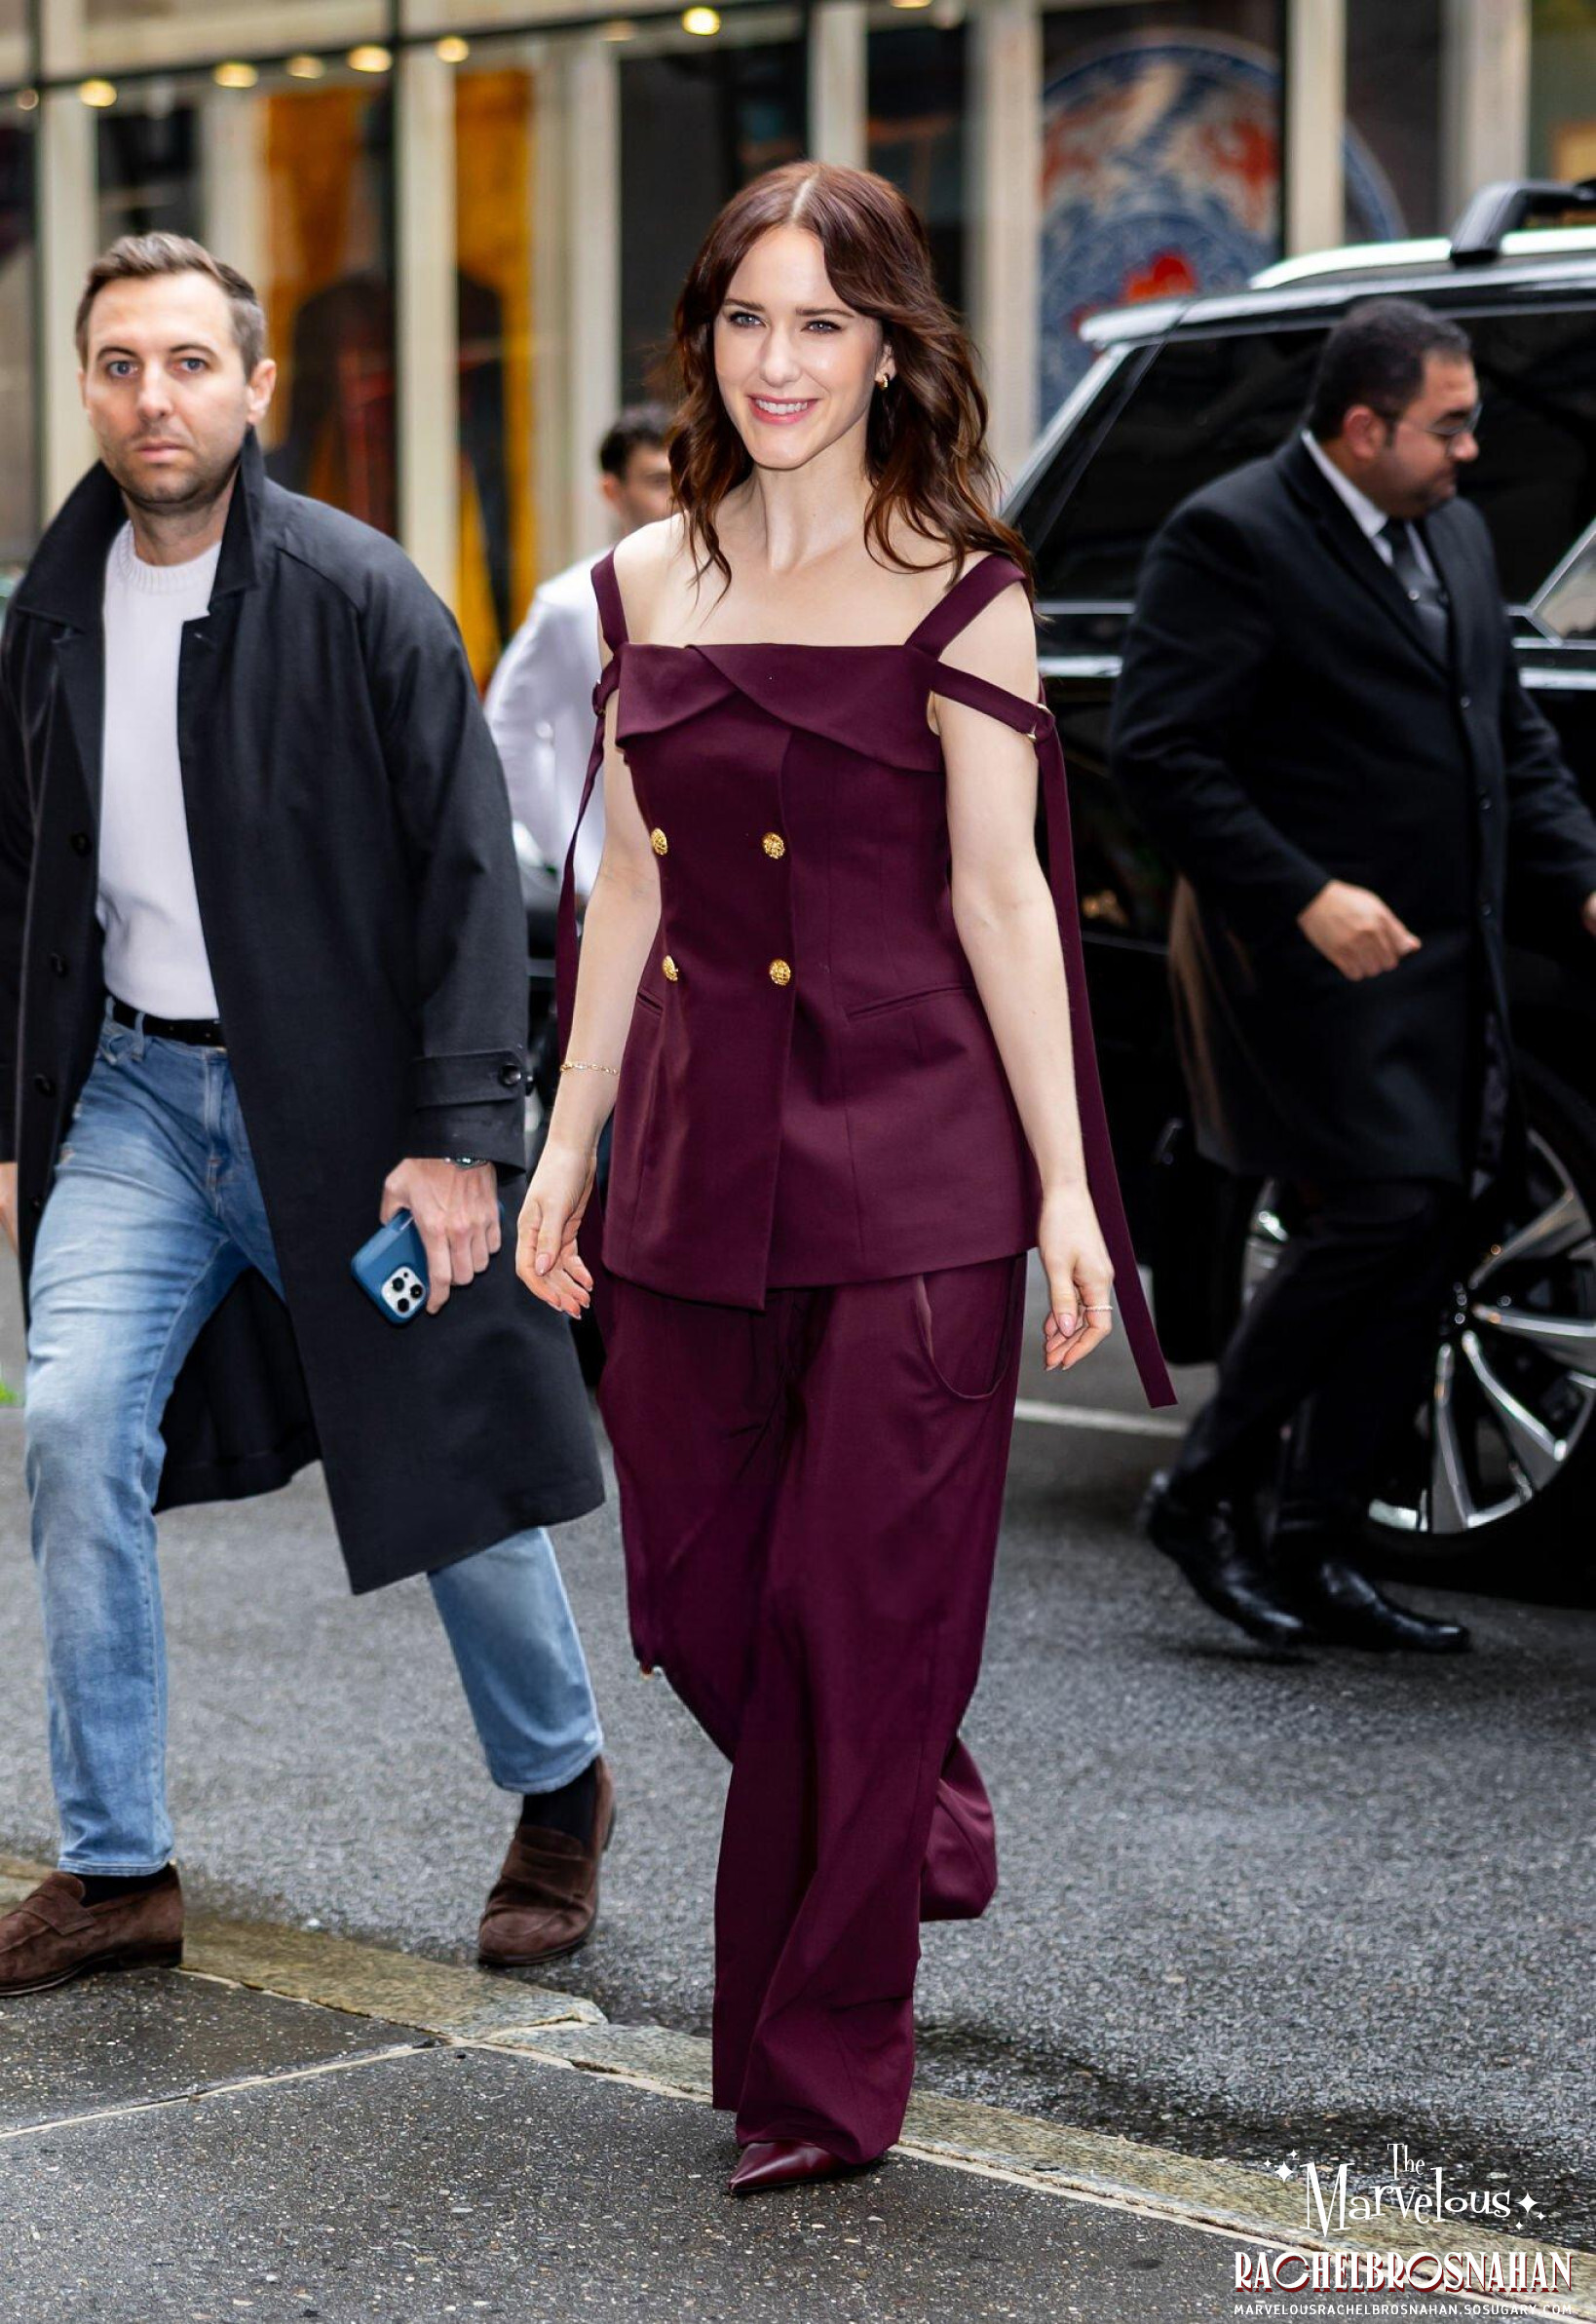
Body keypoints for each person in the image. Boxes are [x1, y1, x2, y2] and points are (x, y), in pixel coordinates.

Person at [516, 162, 1175, 2195]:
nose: (779, 360)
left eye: (822, 320)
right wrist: (565, 1145)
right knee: (702, 1601)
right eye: (746, 318)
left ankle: (815, 2073)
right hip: (692, 1164)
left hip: (921, 1167)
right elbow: (628, 890)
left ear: (890, 347)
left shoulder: (968, 589)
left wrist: (1065, 1188)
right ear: (703, 341)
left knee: (857, 1613)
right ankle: (909, 1793)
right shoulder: (639, 582)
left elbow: (1004, 896)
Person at [0, 233, 613, 1998]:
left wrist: (461, 1137)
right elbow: (15, 885)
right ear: (86, 388)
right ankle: (116, 1866)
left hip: (349, 1117)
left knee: (448, 1452)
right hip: (132, 1097)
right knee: (69, 1429)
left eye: (191, 363)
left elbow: (468, 878)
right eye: (122, 364)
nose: (156, 398)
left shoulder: (358, 594)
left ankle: (559, 1785)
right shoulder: (46, 617)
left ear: (256, 388)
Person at [1111, 297, 1596, 1656]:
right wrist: (1305, 895)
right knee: (1377, 1213)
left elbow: (1506, 731)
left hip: (1449, 955)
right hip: (1298, 963)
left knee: (1436, 1222)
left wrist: (1579, 873)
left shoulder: (1450, 528)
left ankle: (1314, 1545)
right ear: (1364, 427)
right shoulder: (1230, 535)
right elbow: (1162, 753)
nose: (1472, 450)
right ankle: (1201, 1494)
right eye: (1450, 425)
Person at [486, 404, 674, 902]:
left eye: (691, 477)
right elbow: (506, 733)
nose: (680, 496)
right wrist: (568, 845)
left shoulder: (735, 591)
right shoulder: (571, 604)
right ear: (613, 491)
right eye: (659, 481)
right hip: (610, 893)